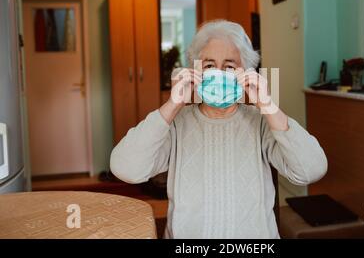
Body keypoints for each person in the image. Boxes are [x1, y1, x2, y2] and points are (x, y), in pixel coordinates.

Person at [110, 20, 327, 238]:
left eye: (230, 66)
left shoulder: (261, 122)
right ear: (196, 71)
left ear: (246, 73)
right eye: (210, 66)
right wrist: (172, 105)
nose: (219, 74)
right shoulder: (176, 124)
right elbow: (125, 168)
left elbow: (312, 169)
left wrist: (268, 106)